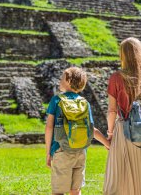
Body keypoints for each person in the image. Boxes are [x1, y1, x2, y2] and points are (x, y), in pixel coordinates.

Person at [104, 37, 141, 195]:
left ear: (123, 55)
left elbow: (111, 110)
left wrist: (110, 133)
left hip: (126, 131)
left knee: (122, 179)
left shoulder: (117, 77)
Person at [45, 67, 110, 195]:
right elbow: (92, 130)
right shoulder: (84, 103)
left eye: (62, 78)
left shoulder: (57, 100)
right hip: (80, 150)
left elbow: (49, 127)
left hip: (61, 150)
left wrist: (48, 152)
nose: (60, 81)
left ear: (68, 80)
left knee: (58, 191)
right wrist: (108, 144)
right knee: (76, 190)